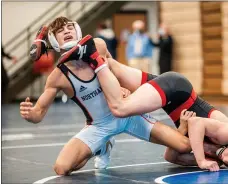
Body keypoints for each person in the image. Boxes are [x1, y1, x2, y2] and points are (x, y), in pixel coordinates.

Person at [21, 16, 217, 176]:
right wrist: (31, 115)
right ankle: (101, 147)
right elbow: (39, 113)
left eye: (70, 27)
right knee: (62, 168)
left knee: (183, 146)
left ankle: (194, 138)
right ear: (54, 41)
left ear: (78, 30)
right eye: (61, 31)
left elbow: (115, 70)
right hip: (99, 125)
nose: (67, 31)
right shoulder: (59, 76)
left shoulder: (97, 46)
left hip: (130, 114)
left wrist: (121, 87)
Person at [58, 35, 228, 171]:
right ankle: (82, 52)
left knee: (111, 65)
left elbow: (170, 155)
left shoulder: (215, 158)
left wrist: (181, 131)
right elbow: (198, 123)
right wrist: (200, 160)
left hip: (168, 96)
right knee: (120, 107)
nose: (227, 160)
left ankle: (74, 46)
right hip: (176, 88)